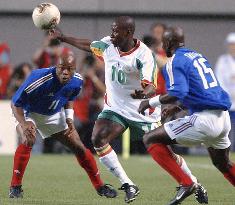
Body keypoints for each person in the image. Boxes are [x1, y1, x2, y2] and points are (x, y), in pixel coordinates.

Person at [50, 16, 207, 203]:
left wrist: (144, 93)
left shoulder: (143, 54)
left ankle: (193, 183)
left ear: (128, 33)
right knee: (98, 139)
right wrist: (64, 37)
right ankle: (128, 184)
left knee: (165, 153)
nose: (112, 33)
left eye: (116, 31)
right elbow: (89, 45)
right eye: (112, 29)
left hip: (141, 110)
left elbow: (151, 86)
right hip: (115, 108)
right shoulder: (108, 44)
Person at [138, 26, 234, 205]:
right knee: (224, 164)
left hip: (204, 121)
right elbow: (200, 89)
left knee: (150, 139)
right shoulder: (197, 56)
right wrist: (177, 108)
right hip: (223, 118)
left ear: (168, 43)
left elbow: (178, 92)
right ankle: (188, 182)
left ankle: (186, 183)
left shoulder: (175, 61)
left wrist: (150, 102)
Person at [9, 52, 117, 199]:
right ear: (56, 66)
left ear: (75, 68)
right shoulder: (39, 78)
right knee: (28, 139)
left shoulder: (77, 80)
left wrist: (69, 118)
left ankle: (100, 186)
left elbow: (69, 96)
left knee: (79, 146)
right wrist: (23, 123)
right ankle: (15, 187)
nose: (65, 72)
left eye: (70, 68)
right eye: (61, 68)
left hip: (53, 115)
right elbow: (15, 103)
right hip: (29, 113)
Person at [215, 32, 235, 151]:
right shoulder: (222, 60)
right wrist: (227, 94)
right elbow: (219, 79)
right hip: (227, 100)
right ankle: (226, 148)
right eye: (231, 45)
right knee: (226, 126)